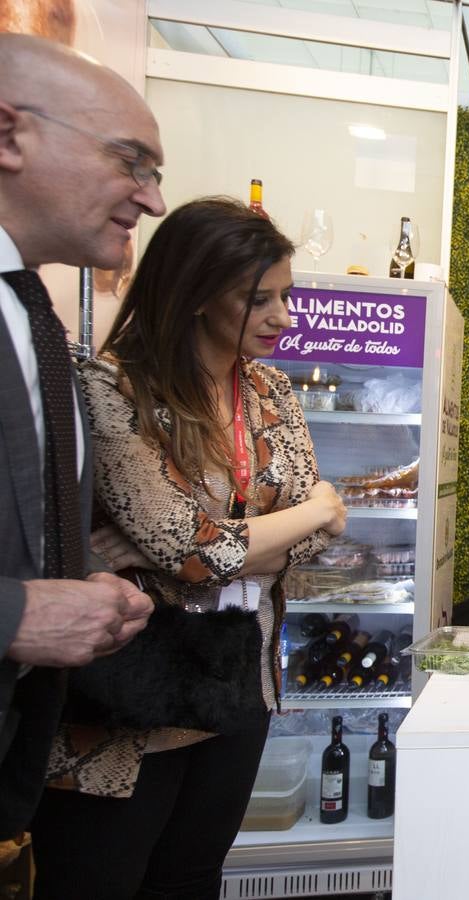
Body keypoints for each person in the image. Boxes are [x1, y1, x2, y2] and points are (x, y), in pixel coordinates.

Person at [28, 198, 347, 899]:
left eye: (286, 295)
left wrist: (303, 519)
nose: (283, 316)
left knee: (193, 879)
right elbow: (194, 549)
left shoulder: (272, 391)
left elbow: (304, 540)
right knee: (98, 881)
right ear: (198, 294)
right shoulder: (114, 389)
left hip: (241, 680)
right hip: (128, 699)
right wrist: (302, 513)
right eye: (258, 299)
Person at [0, 33, 158, 838]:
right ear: (9, 135)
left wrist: (80, 574)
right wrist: (13, 616)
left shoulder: (34, 319)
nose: (151, 198)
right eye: (131, 160)